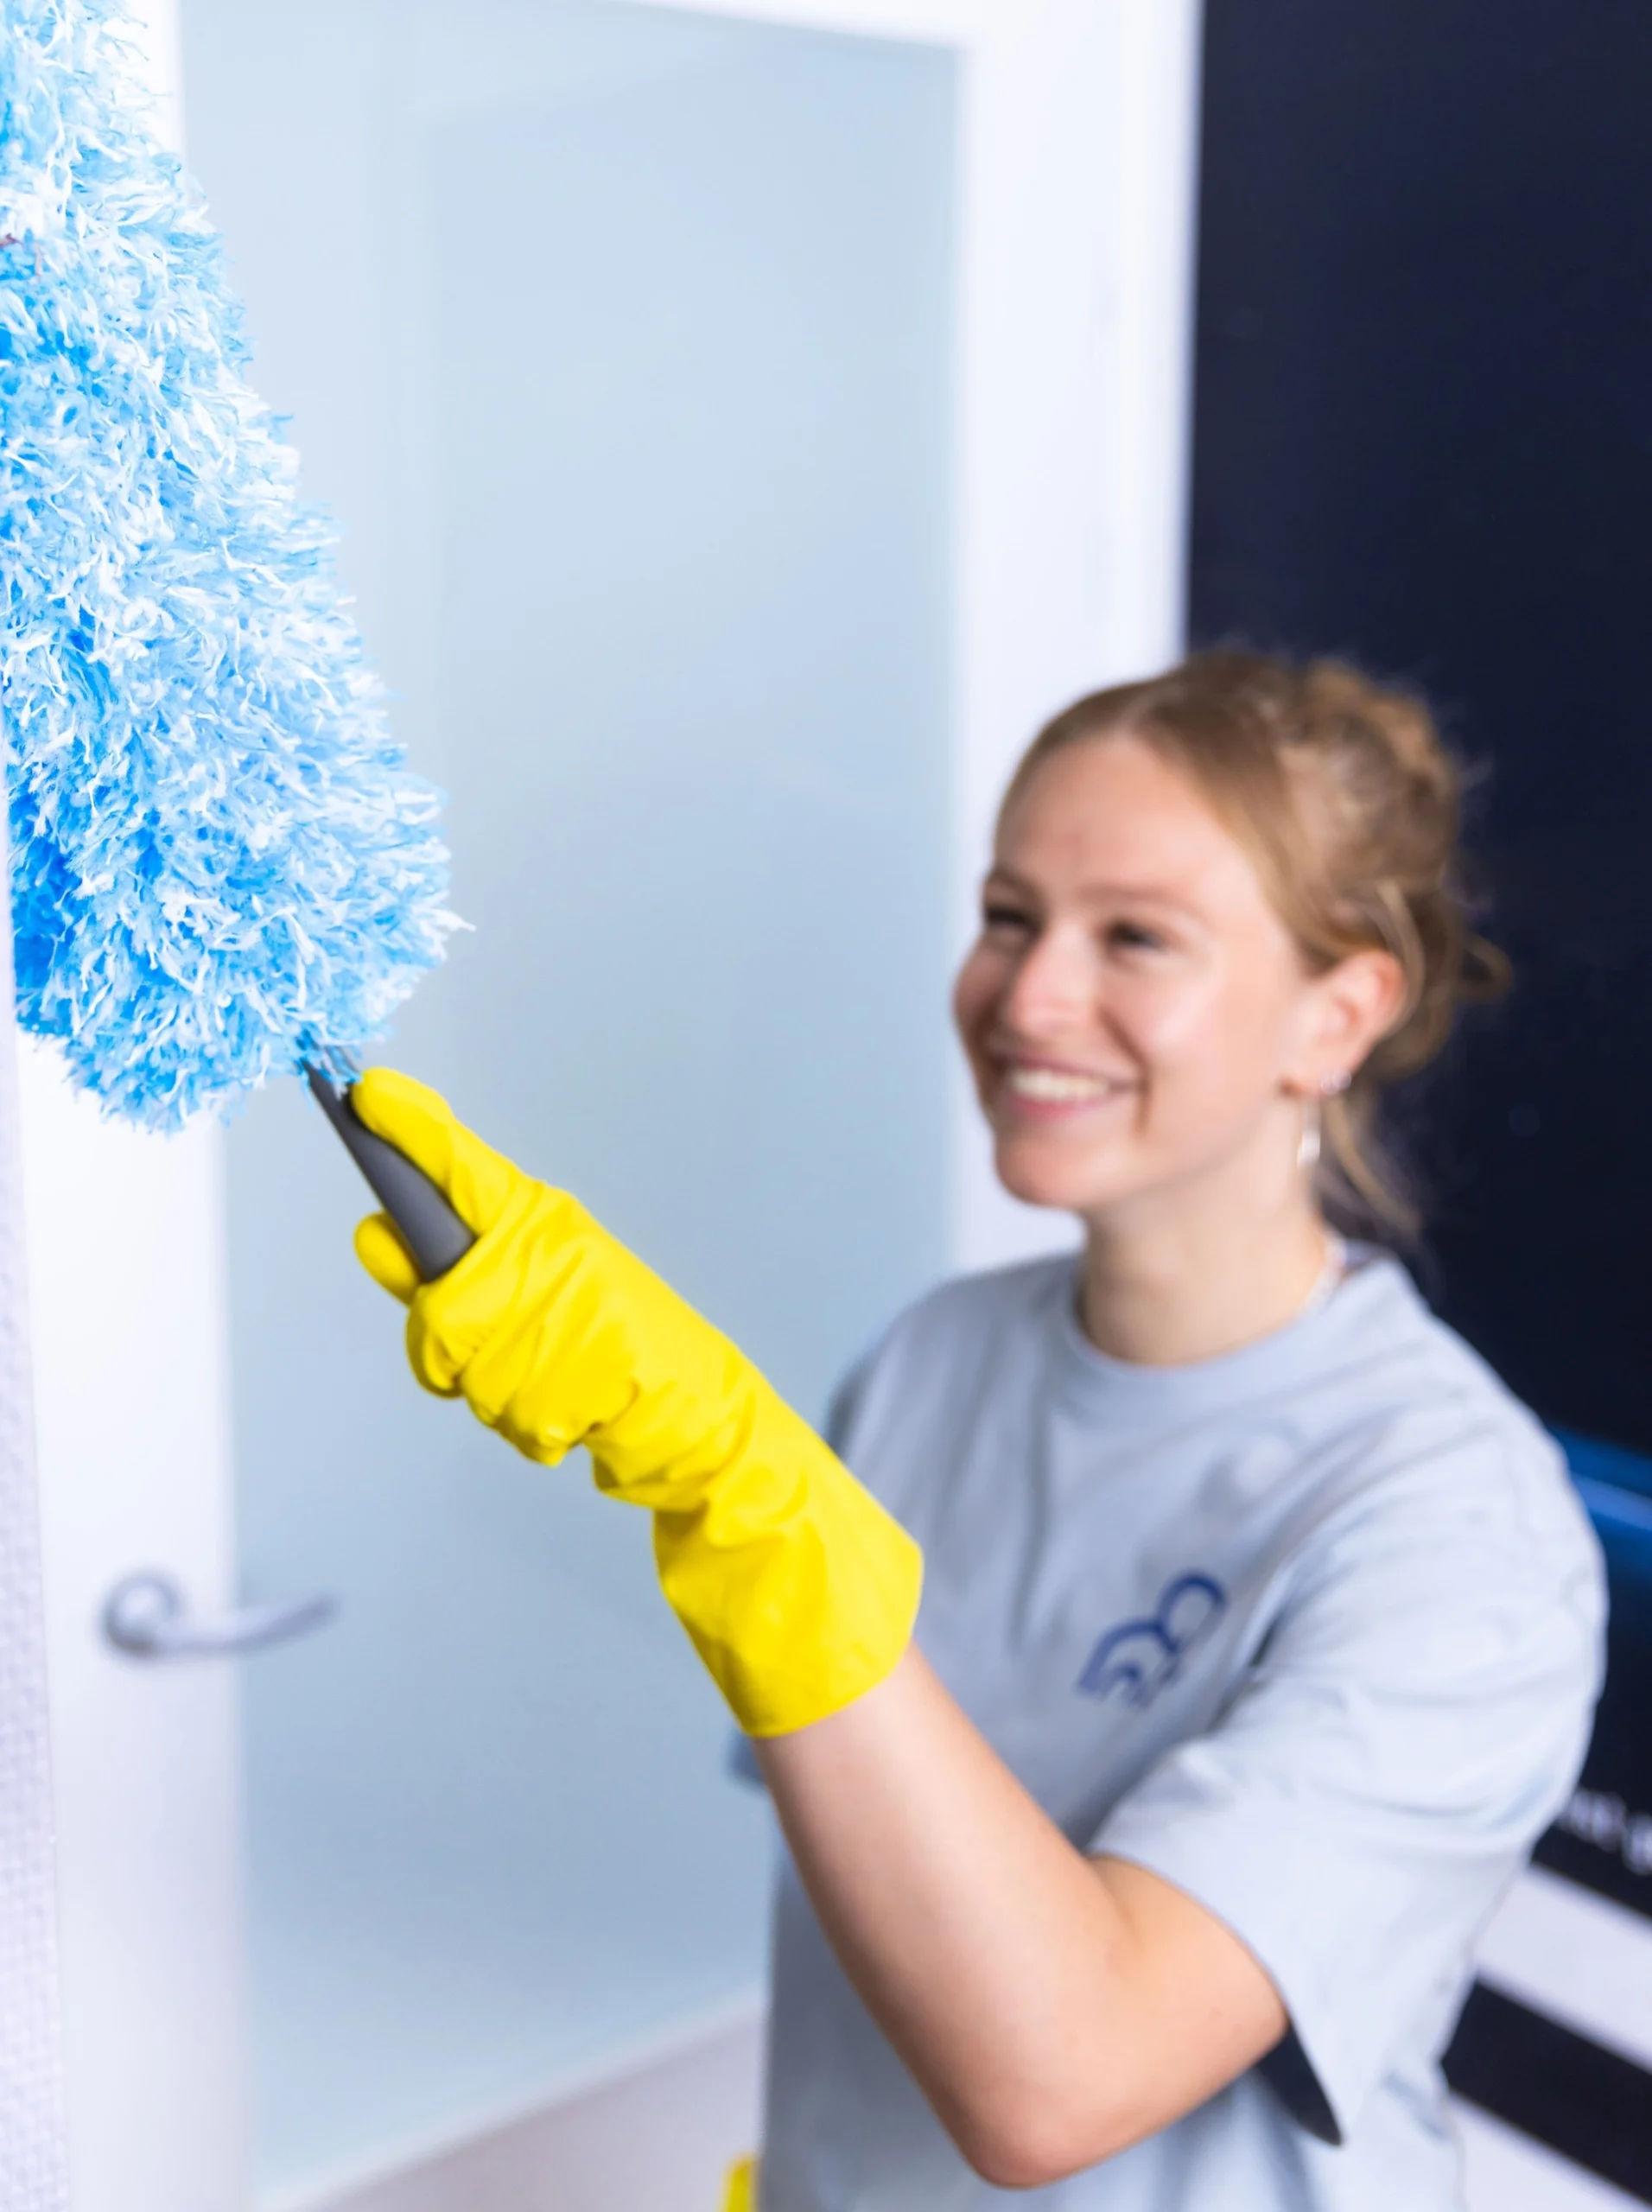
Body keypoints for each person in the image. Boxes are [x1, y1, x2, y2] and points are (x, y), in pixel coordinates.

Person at [351, 651, 1605, 2210]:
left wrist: (745, 1495)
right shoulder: (933, 1363)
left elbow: (1062, 2081)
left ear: (1336, 1014)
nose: (1028, 997)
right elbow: (870, 1913)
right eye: (1011, 915)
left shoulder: (1458, 1537)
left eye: (1135, 936)